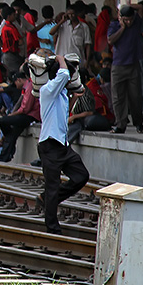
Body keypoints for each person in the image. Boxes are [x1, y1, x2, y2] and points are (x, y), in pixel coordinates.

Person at [36, 53, 89, 234]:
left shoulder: (62, 94)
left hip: (62, 145)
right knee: (52, 185)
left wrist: (75, 97)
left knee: (81, 176)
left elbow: (63, 114)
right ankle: (52, 229)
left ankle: (48, 198)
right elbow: (64, 75)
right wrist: (60, 58)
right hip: (49, 145)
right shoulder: (47, 90)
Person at [106, 5, 143, 133]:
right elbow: (110, 40)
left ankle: (138, 122)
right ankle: (120, 124)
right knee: (118, 97)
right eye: (126, 20)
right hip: (118, 66)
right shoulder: (114, 26)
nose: (129, 22)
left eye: (130, 20)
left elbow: (140, 8)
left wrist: (127, 6)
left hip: (133, 64)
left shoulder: (137, 22)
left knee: (136, 97)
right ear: (121, 18)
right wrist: (122, 28)